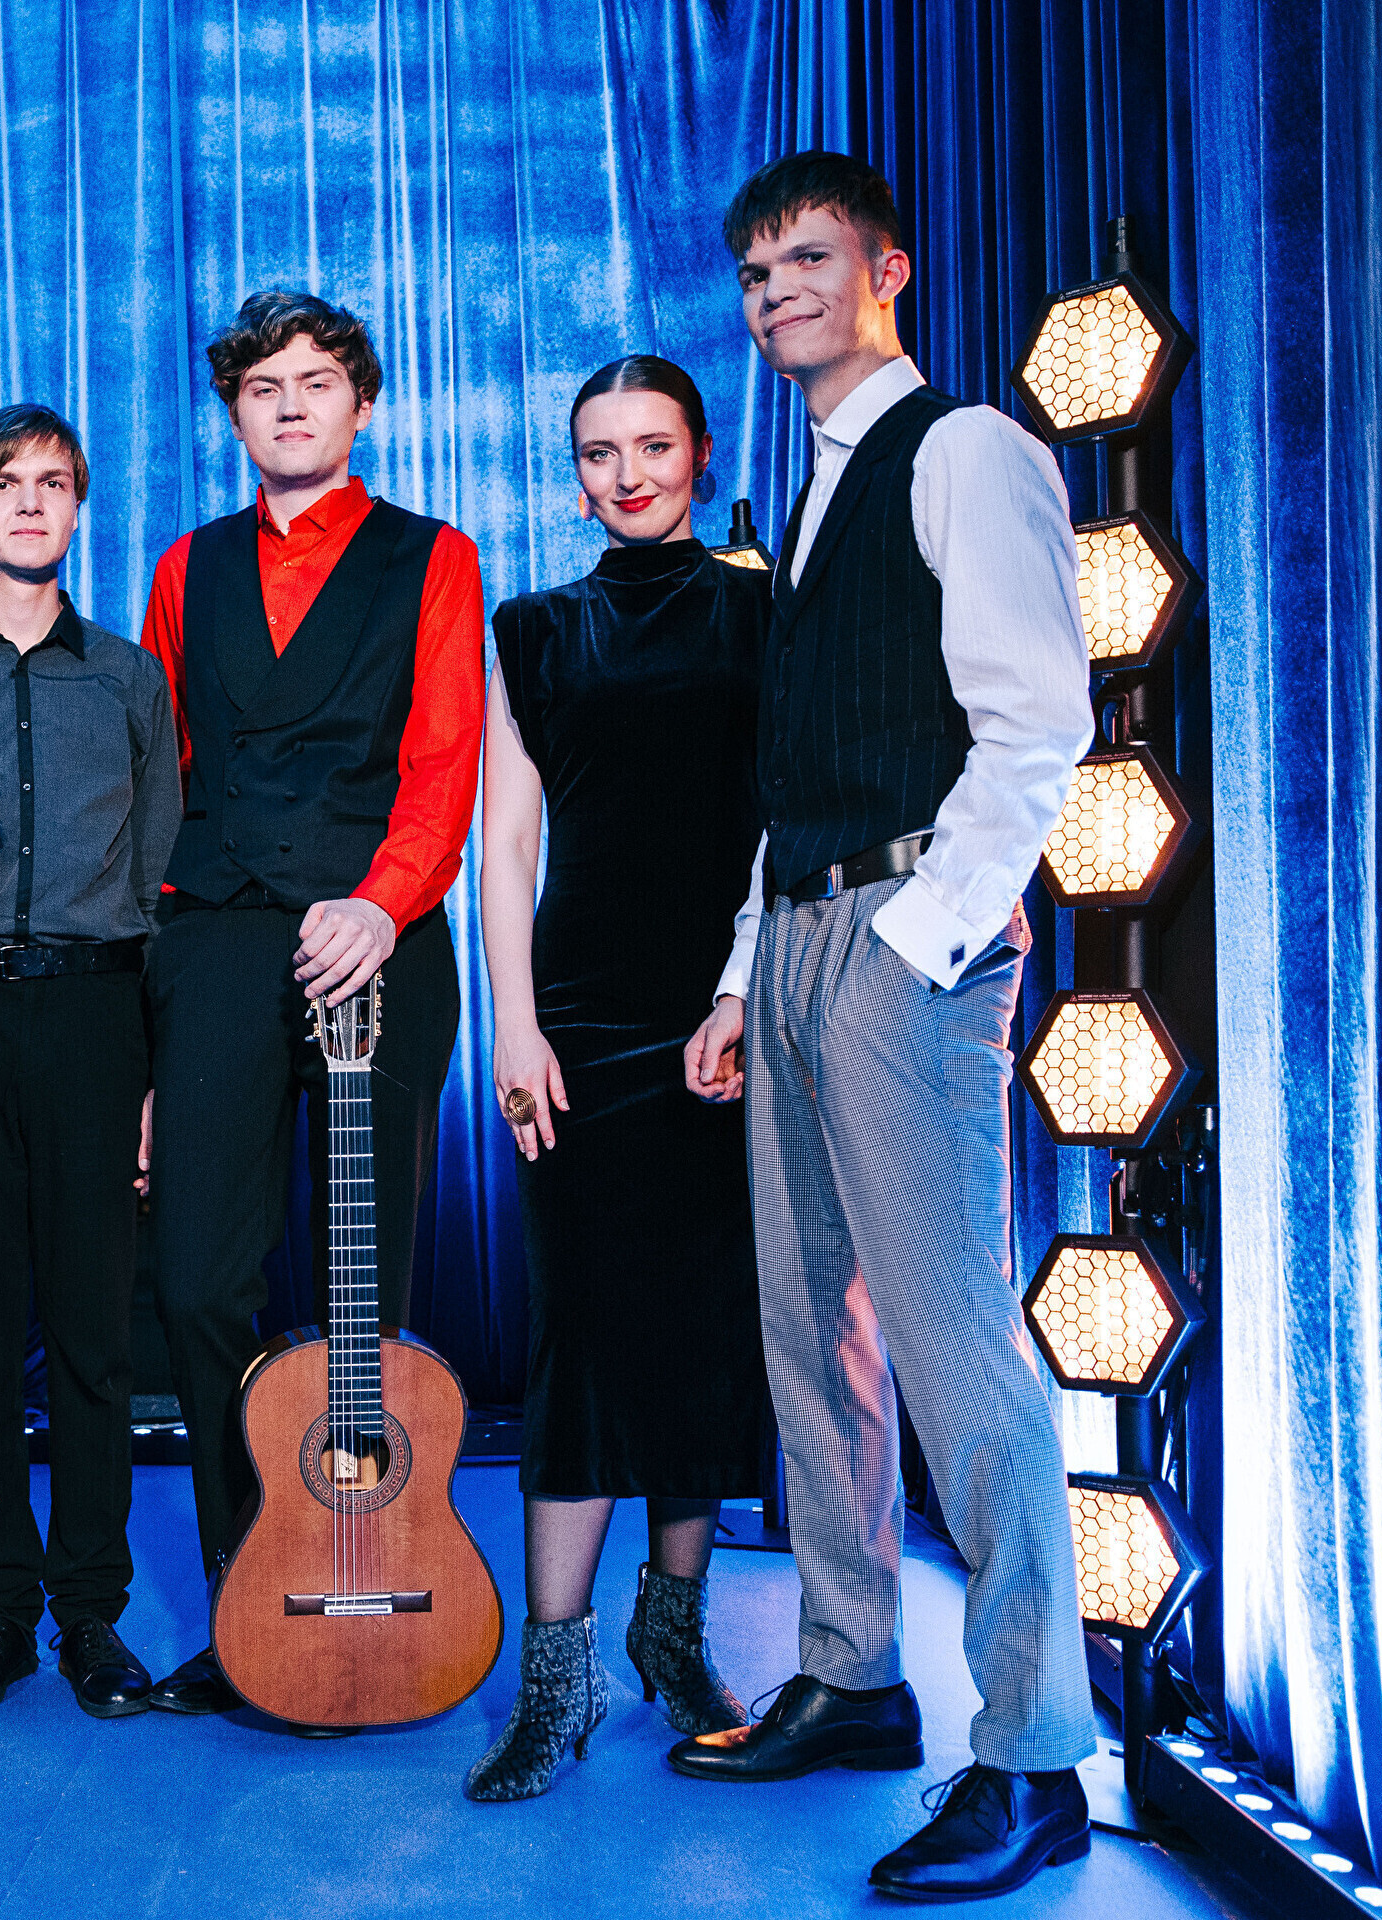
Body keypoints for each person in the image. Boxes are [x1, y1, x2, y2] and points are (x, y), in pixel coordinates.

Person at [672, 153, 1097, 1901]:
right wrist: (740, 975)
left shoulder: (965, 447)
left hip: (903, 932)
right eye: (756, 269)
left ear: (889, 269)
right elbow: (792, 779)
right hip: (796, 932)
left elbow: (1038, 724)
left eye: (809, 257)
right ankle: (852, 1678)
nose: (778, 288)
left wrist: (915, 945)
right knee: (810, 1337)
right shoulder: (814, 487)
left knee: (953, 1350)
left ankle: (1038, 1757)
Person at [135, 290, 487, 1724]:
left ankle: (366, 1570)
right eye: (262, 387)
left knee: (362, 1290)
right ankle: (250, 1595)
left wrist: (384, 902)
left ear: (361, 404)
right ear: (235, 414)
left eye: (316, 382)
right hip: (218, 935)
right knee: (196, 1279)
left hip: (376, 938)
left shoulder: (434, 556)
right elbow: (163, 766)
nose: (289, 405)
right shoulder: (190, 565)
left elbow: (447, 759)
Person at [462, 356, 779, 1803]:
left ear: (700, 455)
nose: (629, 473)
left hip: (722, 1014)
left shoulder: (763, 614)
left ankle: (674, 1636)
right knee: (581, 1338)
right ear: (577, 473)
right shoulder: (532, 630)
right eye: (601, 452)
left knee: (705, 1329)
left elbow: (784, 823)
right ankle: (557, 1681)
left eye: (654, 445)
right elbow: (507, 846)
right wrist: (513, 1026)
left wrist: (741, 994)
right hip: (579, 1024)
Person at [0, 405, 177, 1721]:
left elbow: (158, 880)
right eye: (4, 483)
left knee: (93, 1330)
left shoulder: (127, 680)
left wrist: (152, 1076)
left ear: (77, 510)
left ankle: (91, 1612)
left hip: (92, 1017)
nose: (28, 501)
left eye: (54, 483)